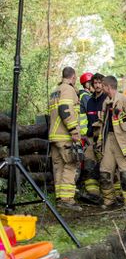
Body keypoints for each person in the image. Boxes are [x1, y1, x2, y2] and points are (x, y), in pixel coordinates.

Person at [97, 75, 126, 208]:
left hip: (124, 142)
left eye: (103, 86)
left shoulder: (125, 99)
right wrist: (100, 142)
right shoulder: (105, 103)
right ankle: (109, 200)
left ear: (108, 87)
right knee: (105, 173)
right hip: (109, 141)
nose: (101, 88)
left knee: (125, 174)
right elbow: (103, 125)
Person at [49, 67, 82, 211]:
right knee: (71, 164)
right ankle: (67, 199)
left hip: (54, 135)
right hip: (65, 135)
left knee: (59, 167)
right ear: (73, 77)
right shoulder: (68, 89)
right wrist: (74, 130)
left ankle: (59, 197)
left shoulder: (54, 91)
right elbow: (65, 109)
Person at [79, 73, 106, 203]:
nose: (97, 85)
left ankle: (113, 197)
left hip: (105, 140)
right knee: (89, 165)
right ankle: (93, 194)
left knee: (107, 168)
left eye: (100, 83)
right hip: (90, 139)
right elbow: (87, 121)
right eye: (95, 83)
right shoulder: (89, 101)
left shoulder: (107, 100)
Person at [78, 72, 93, 137]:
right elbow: (91, 113)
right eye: (92, 83)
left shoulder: (81, 94)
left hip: (81, 130)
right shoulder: (85, 96)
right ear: (87, 84)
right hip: (85, 131)